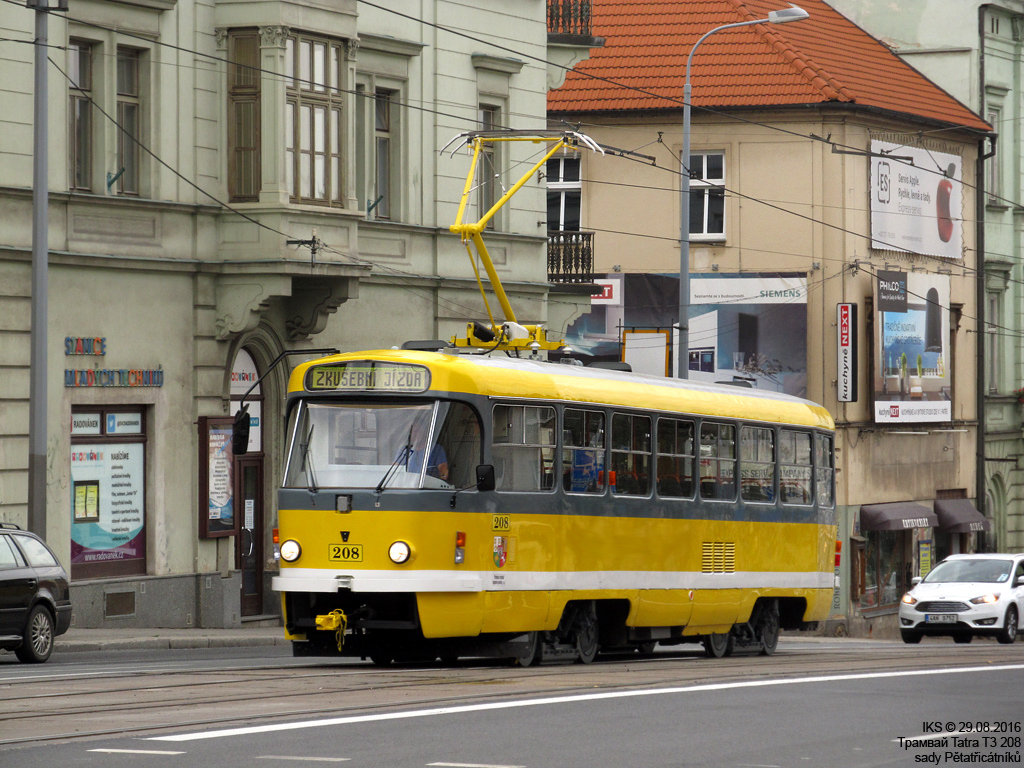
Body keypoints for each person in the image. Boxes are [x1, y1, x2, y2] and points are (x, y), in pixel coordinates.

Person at [398, 415, 448, 481]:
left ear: (425, 432)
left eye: (418, 431)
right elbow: (394, 468)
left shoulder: (436, 449)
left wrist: (443, 477)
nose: (415, 434)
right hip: (407, 485)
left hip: (427, 486)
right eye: (413, 431)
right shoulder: (404, 450)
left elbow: (443, 468)